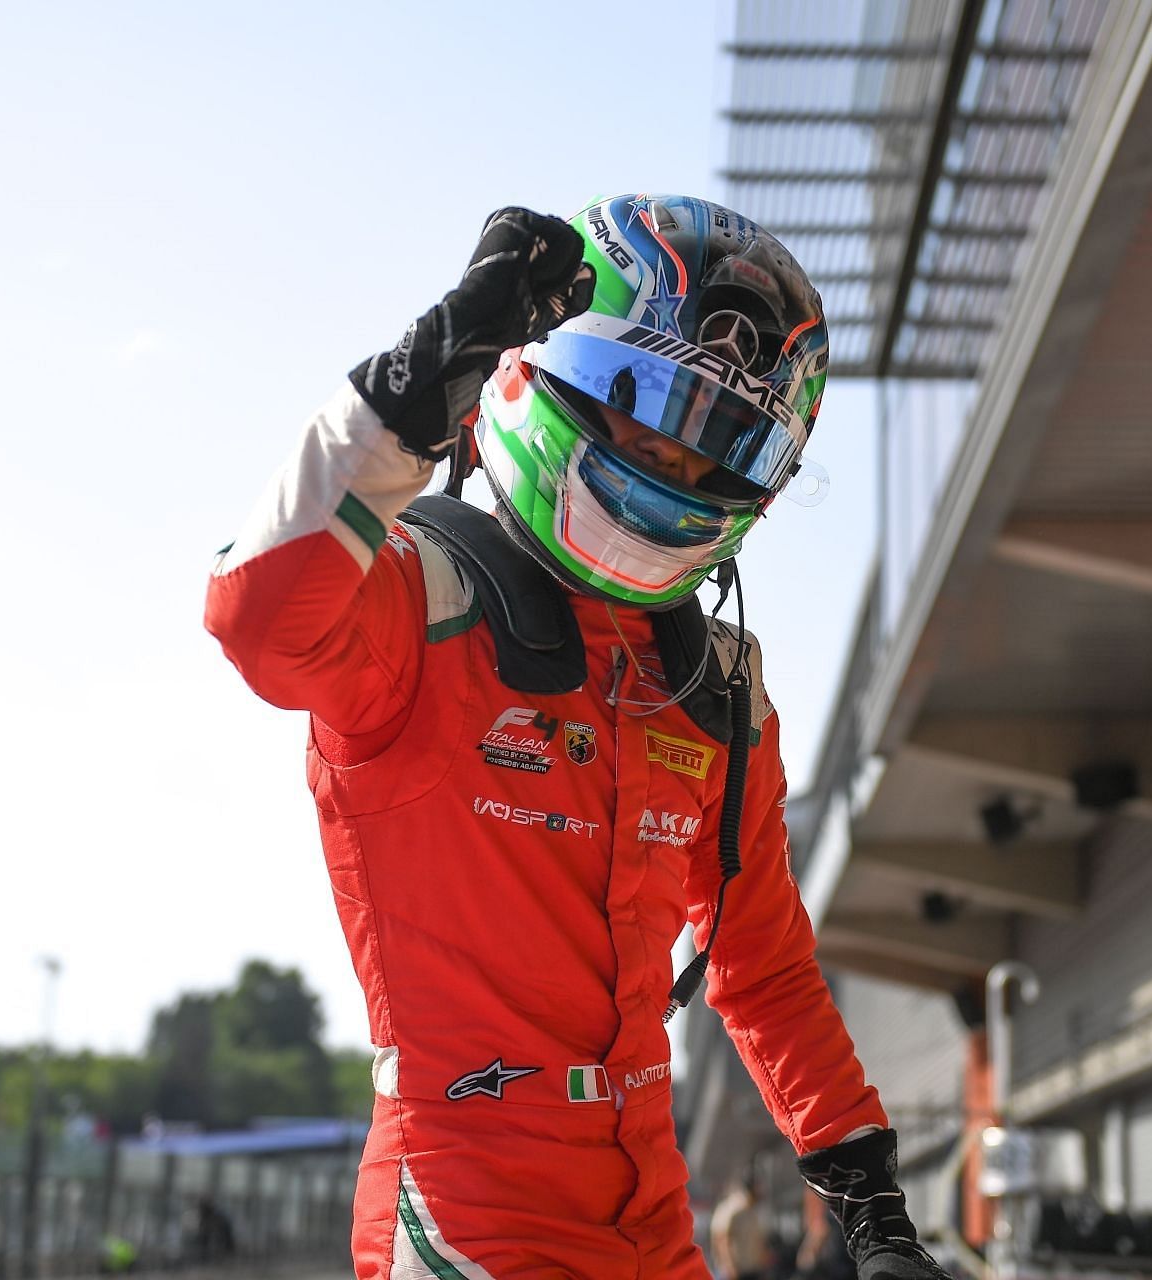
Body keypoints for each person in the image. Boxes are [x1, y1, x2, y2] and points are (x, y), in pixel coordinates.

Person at [205, 195, 949, 1280]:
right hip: (465, 1201)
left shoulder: (718, 687)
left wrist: (875, 1216)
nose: (676, 461)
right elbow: (256, 620)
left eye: (719, 439)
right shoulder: (415, 598)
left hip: (652, 1208)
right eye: (646, 399)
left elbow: (764, 966)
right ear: (548, 373)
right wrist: (424, 371)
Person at [712, 1169, 776, 1280]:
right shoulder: (734, 1209)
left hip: (752, 1270)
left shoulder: (752, 1210)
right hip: (736, 1272)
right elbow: (722, 1239)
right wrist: (729, 1266)